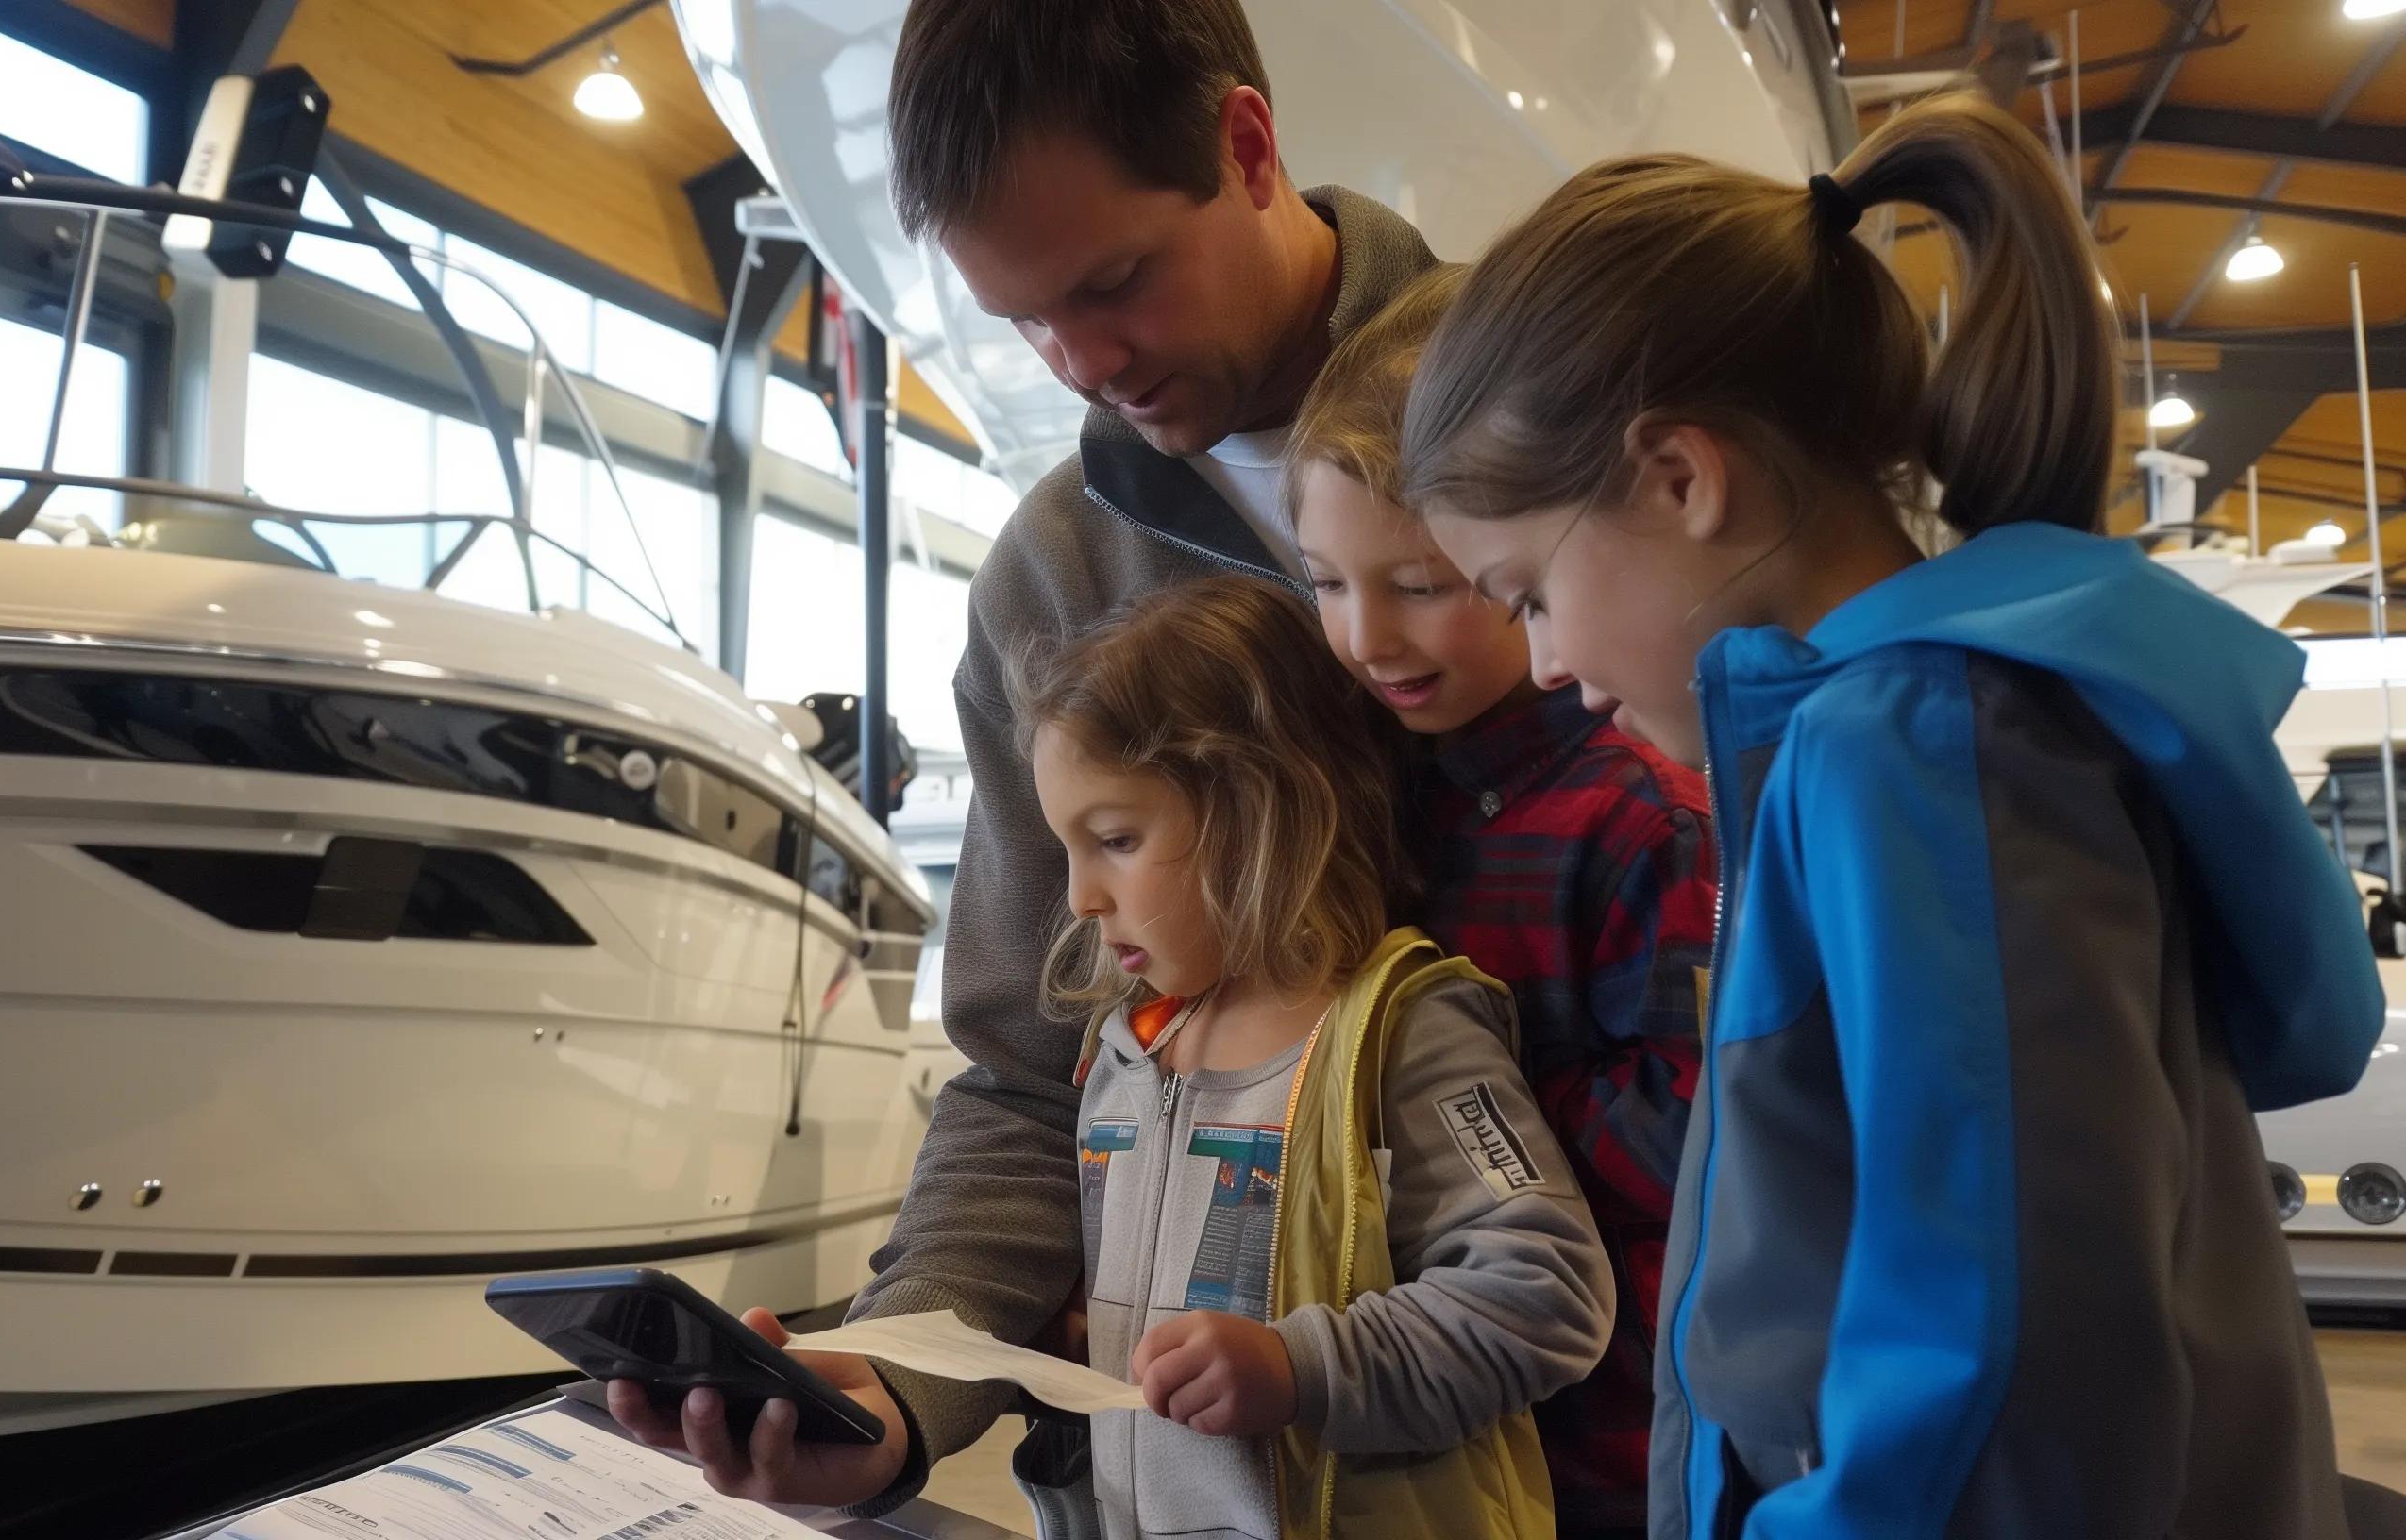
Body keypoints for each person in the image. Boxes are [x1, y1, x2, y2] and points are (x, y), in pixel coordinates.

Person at [1395, 91, 2383, 1537]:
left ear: (1679, 477)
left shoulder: (1913, 743)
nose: (1545, 663)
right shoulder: (1927, 726)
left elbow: (2012, 1332)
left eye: (1531, 591)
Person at [607, 0, 1456, 1516]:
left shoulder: (1546, 406)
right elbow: (1023, 1071)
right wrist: (901, 1377)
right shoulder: (1050, 580)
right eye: (1024, 322)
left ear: (1245, 146)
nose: (1081, 364)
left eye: (1113, 283)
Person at [1021, 573, 1608, 1540]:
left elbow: (1543, 1294)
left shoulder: (1399, 1033)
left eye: (1117, 839)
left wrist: (1299, 1369)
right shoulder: (1126, 1052)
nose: (1082, 896)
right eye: (1067, 850)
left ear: (1259, 809)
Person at [1285, 266, 1713, 1540]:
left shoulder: (1642, 812)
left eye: (1420, 584)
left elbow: (1700, 1128)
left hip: (1610, 1434)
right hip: (1414, 1413)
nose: (1367, 635)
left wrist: (1461, 1105)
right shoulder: (1356, 791)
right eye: (1325, 581)